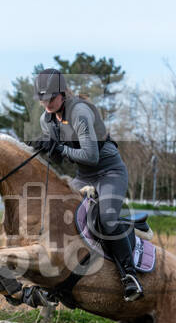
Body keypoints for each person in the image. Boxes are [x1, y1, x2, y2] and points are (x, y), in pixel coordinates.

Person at [32, 68, 143, 302]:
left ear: (62, 93)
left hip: (109, 172)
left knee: (106, 219)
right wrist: (44, 149)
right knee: (57, 214)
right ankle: (56, 280)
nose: (47, 104)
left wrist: (60, 148)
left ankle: (129, 276)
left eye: (51, 98)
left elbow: (91, 156)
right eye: (43, 100)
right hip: (84, 175)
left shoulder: (79, 112)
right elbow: (65, 157)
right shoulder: (47, 120)